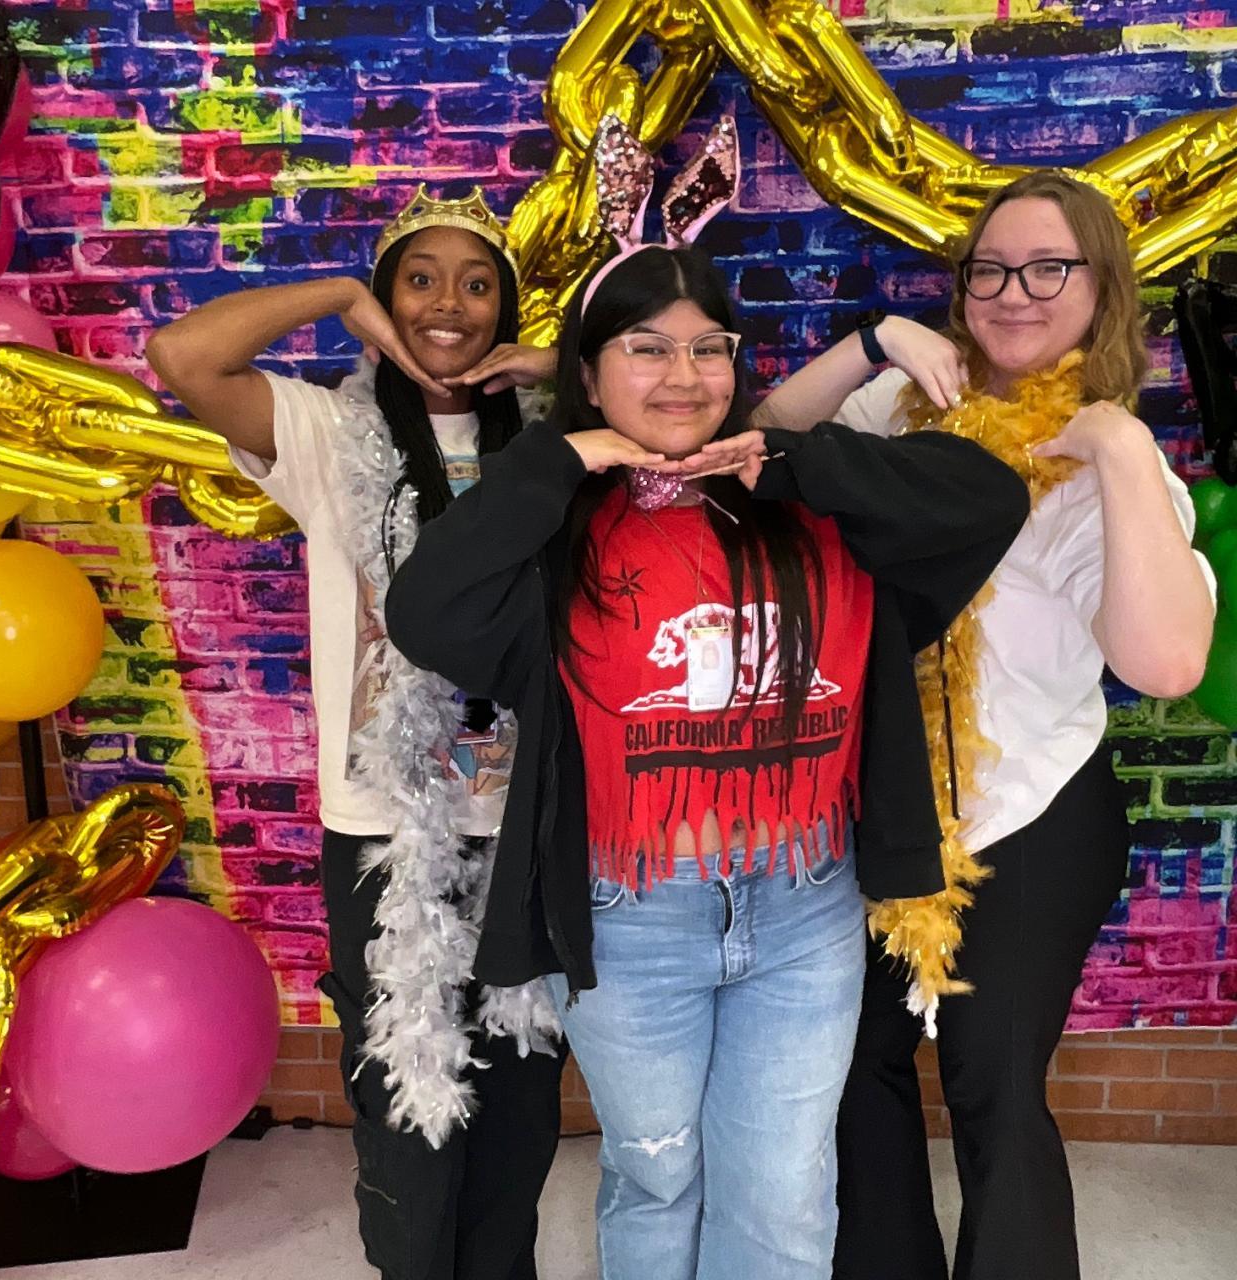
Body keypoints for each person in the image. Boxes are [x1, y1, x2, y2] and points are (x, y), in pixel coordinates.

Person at [382, 116, 1030, 1280]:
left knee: (781, 1191)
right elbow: (427, 608)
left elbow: (984, 498)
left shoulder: (809, 506)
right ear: (589, 374)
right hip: (631, 915)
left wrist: (792, 458)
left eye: (705, 348)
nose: (681, 376)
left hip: (802, 904)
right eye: (644, 349)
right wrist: (561, 458)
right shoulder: (555, 537)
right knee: (656, 1172)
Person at [758, 170, 1217, 1280]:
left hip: (1034, 815)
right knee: (849, 1067)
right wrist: (872, 343)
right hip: (880, 803)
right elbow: (763, 441)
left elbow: (1164, 664)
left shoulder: (1115, 471)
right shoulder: (901, 410)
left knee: (993, 1084)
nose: (1013, 293)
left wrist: (1117, 446)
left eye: (1047, 268)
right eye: (990, 270)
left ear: (1102, 288)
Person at [146, 187, 566, 1280]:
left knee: (519, 1102)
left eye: (476, 284)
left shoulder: (553, 439)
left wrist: (558, 366)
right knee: (405, 1102)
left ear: (506, 309)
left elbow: (680, 401)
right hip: (384, 824)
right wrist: (341, 291)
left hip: (526, 817)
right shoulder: (331, 432)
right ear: (387, 298)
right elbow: (184, 356)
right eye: (419, 279)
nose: (448, 304)